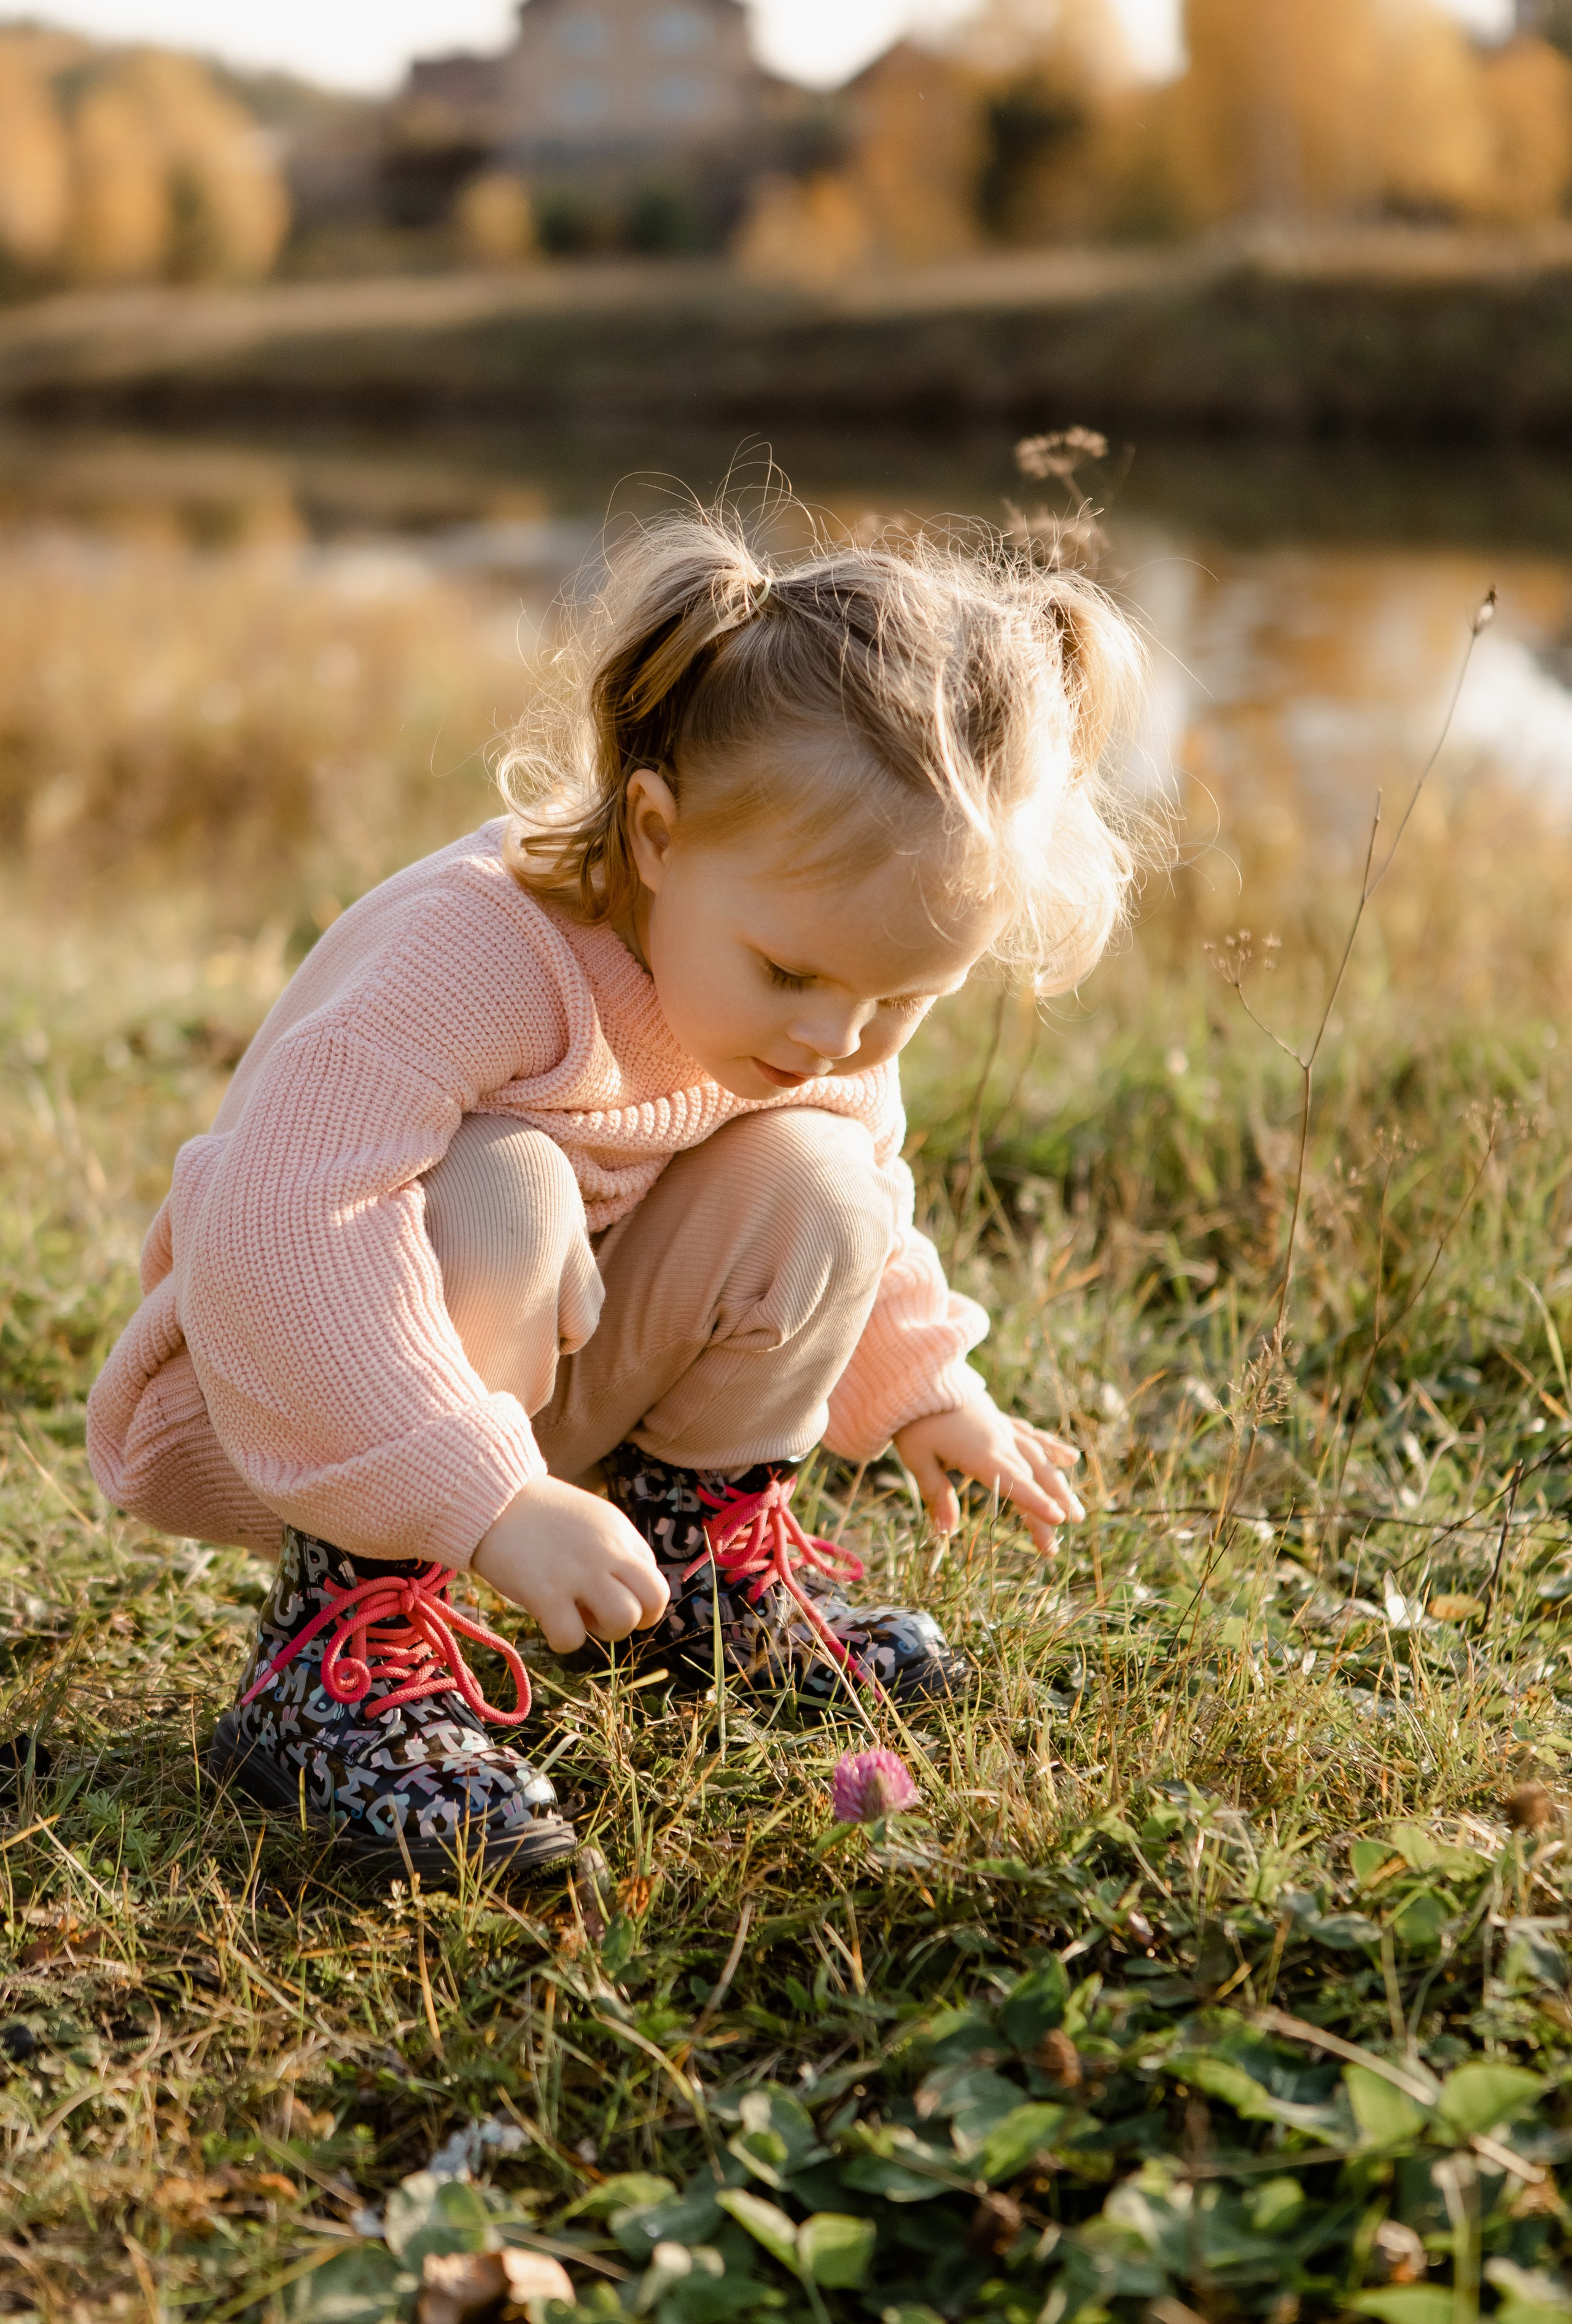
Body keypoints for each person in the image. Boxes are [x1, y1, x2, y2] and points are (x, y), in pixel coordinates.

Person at [86, 504, 1147, 1885]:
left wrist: (926, 1386)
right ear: (654, 832)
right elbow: (283, 1231)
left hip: (546, 1411)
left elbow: (859, 1192)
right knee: (508, 1183)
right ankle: (339, 1662)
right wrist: (484, 1496)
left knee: (821, 1170)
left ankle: (687, 1566)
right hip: (288, 1392)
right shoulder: (475, 949)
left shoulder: (812, 1009)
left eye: (902, 998)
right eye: (791, 973)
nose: (836, 1034)